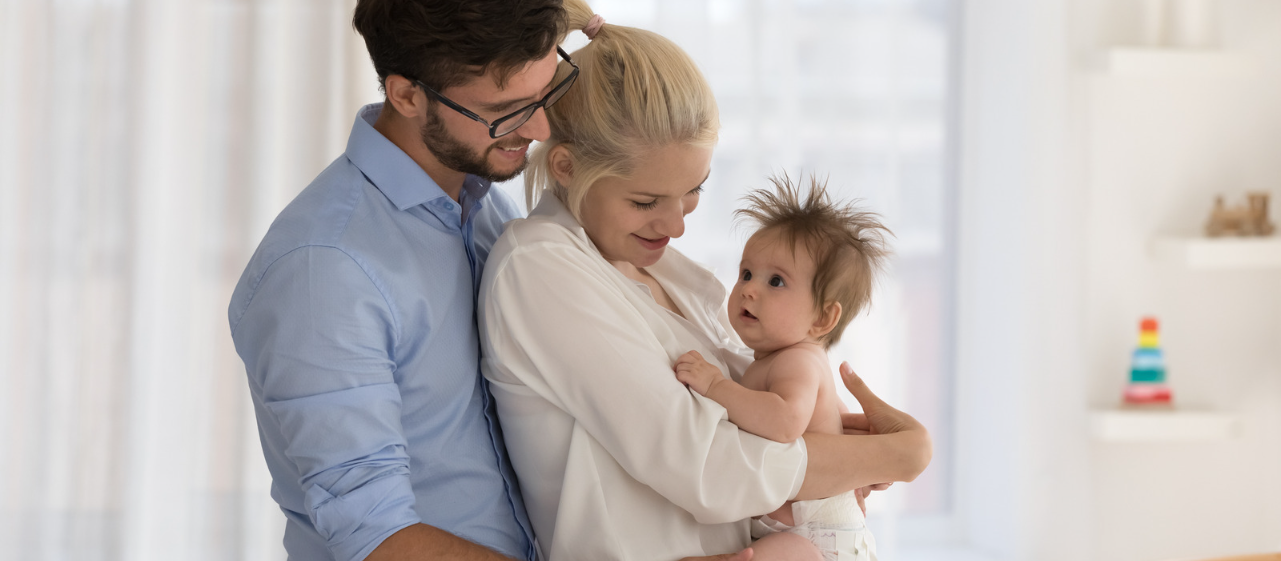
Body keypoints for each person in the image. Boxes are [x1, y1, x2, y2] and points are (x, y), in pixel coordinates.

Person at [477, 2, 933, 560]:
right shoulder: (539, 268)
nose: (675, 225)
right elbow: (710, 469)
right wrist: (895, 456)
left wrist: (838, 439)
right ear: (566, 167)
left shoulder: (663, 268)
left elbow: (758, 425)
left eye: (694, 191)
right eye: (645, 201)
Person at [228, 1, 571, 559]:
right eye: (507, 110)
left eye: (545, 93)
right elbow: (377, 537)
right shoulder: (325, 271)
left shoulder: (485, 209)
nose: (540, 128)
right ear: (407, 95)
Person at [674, 175, 893, 561]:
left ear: (823, 319)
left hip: (818, 539)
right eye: (746, 273)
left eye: (776, 281)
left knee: (782, 553)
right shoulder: (785, 361)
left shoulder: (800, 361)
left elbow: (786, 421)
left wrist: (715, 385)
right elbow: (841, 429)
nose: (749, 289)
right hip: (806, 531)